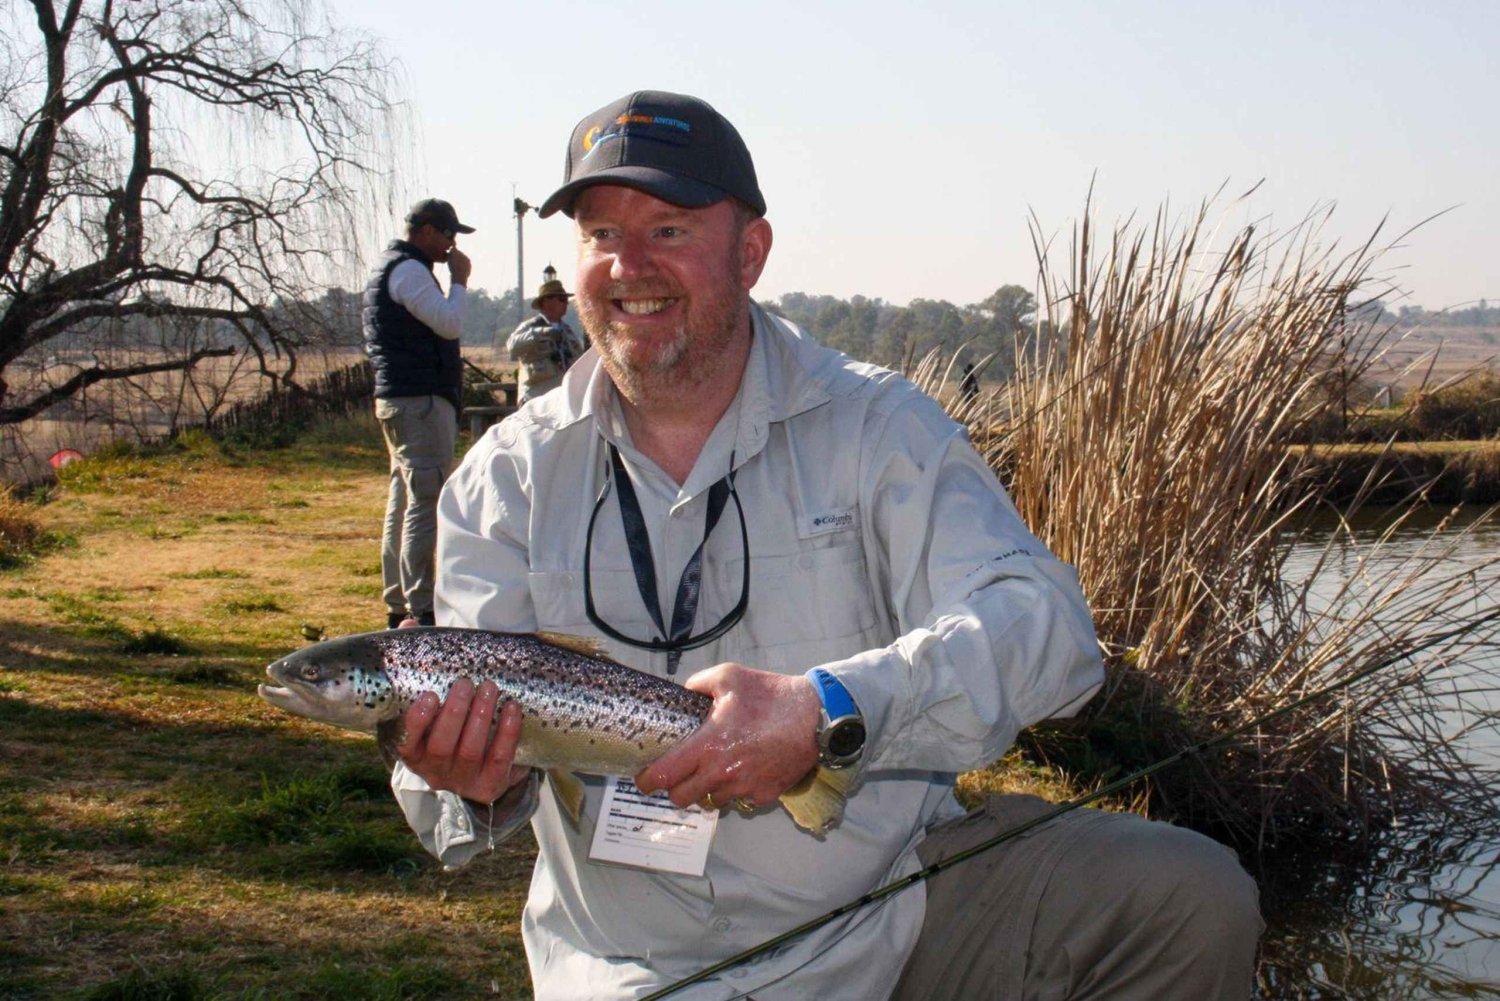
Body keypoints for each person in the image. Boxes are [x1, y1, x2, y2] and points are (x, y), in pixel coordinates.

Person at [389, 92, 1261, 1000]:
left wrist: (830, 708)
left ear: (752, 251)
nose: (629, 265)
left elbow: (1048, 631)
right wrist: (471, 780)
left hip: (890, 914)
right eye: (602, 233)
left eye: (672, 230)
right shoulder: (504, 479)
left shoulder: (881, 427)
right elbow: (454, 799)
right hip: (631, 961)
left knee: (1190, 900)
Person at [362, 197, 474, 629]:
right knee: (425, 502)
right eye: (447, 234)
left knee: (402, 500)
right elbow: (449, 323)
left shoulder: (389, 268)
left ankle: (398, 603)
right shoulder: (409, 270)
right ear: (426, 230)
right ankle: (421, 608)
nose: (450, 245)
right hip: (420, 400)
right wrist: (460, 281)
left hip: (399, 397)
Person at [505, 274, 588, 403]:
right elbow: (512, 348)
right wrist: (541, 333)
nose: (566, 303)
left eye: (565, 299)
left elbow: (579, 361)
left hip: (561, 400)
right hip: (534, 399)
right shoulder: (530, 326)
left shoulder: (568, 332)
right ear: (546, 302)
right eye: (561, 299)